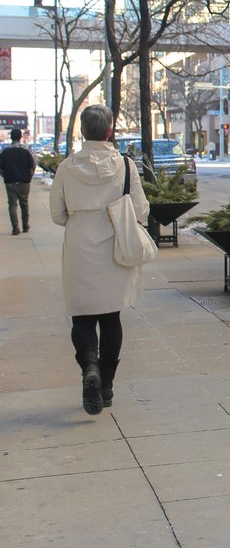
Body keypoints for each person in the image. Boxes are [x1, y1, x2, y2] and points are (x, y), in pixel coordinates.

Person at [49, 105, 149, 416]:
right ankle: (106, 384)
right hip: (114, 246)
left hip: (80, 246)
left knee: (82, 316)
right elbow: (141, 209)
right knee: (110, 317)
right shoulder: (126, 166)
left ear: (82, 131)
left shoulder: (67, 167)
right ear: (108, 131)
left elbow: (57, 214)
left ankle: (89, 364)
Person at [1, 127, 36, 235]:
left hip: (10, 182)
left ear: (11, 137)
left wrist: (5, 176)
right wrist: (29, 176)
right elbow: (33, 165)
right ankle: (25, 226)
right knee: (24, 204)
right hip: (24, 182)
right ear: (20, 137)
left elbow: (1, 168)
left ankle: (15, 227)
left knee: (12, 204)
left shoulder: (5, 152)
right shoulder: (26, 150)